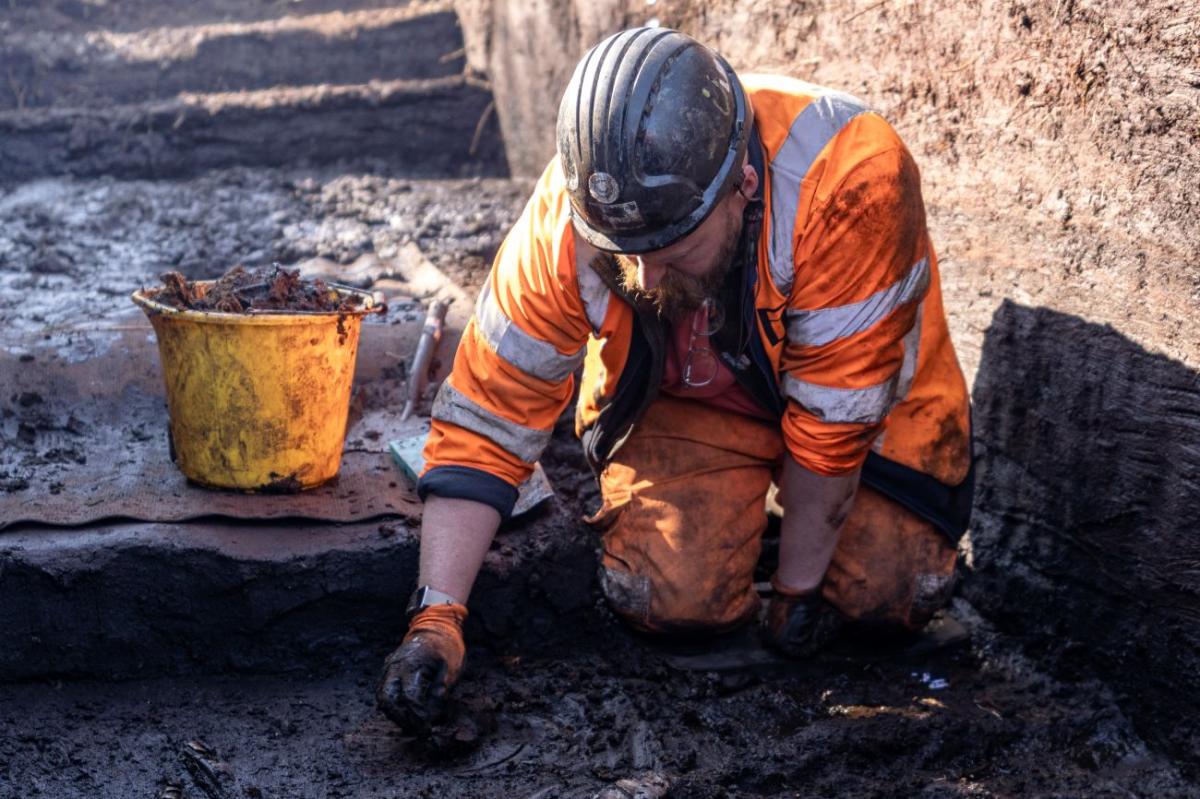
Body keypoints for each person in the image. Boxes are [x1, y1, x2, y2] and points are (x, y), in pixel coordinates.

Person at [376, 26, 974, 731]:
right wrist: (436, 618)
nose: (641, 278)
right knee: (667, 601)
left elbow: (832, 430)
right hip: (697, 401)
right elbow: (485, 422)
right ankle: (742, 525)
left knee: (890, 596)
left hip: (867, 407)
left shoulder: (851, 180)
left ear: (743, 190)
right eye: (620, 252)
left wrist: (796, 594)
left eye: (671, 249)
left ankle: (793, 550)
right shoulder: (567, 224)